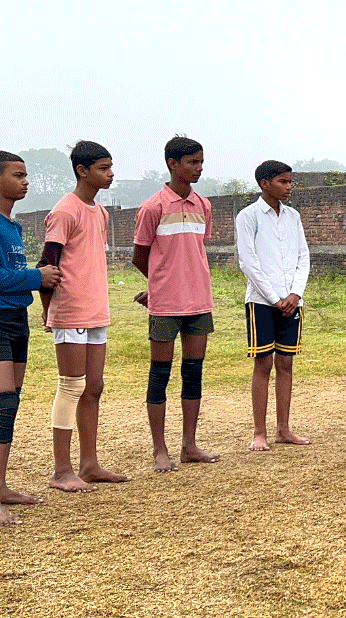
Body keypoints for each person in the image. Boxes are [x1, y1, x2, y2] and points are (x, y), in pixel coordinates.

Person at [0, 150, 62, 525]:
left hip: (17, 321)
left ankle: (1, 487)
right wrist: (36, 278)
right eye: (18, 175)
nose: (25, 181)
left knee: (12, 403)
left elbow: (8, 274)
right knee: (2, 404)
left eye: (25, 175)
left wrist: (35, 281)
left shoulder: (13, 226)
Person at [38, 141, 131, 493]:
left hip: (95, 310)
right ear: (82, 171)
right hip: (71, 309)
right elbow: (48, 264)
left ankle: (89, 465)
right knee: (71, 386)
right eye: (103, 168)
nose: (110, 174)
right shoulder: (65, 211)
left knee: (94, 387)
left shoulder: (100, 212)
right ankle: (61, 470)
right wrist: (48, 310)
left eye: (110, 167)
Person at [132, 136, 220, 472]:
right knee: (160, 374)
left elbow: (194, 251)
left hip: (199, 302)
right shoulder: (152, 208)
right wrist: (160, 284)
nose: (198, 168)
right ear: (172, 163)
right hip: (166, 306)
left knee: (193, 372)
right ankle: (160, 449)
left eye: (201, 162)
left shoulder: (203, 206)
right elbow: (140, 256)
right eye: (192, 162)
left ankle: (189, 445)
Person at [235, 160, 311, 451]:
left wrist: (295, 294)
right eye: (283, 181)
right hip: (261, 302)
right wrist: (275, 298)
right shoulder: (248, 216)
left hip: (292, 301)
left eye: (290, 182)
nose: (289, 187)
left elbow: (303, 256)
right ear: (265, 184)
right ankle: (259, 432)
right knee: (263, 363)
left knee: (286, 363)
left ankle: (284, 429)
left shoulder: (293, 216)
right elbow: (248, 262)